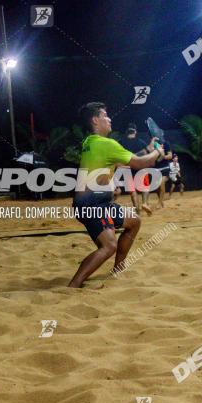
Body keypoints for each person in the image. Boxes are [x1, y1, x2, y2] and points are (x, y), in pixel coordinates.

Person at [68, 102, 165, 288]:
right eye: (105, 115)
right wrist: (156, 152)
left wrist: (148, 150)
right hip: (92, 206)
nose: (109, 118)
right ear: (95, 120)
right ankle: (74, 285)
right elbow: (139, 163)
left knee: (134, 221)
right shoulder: (107, 144)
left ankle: (117, 270)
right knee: (109, 246)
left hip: (98, 204)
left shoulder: (90, 142)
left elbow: (123, 161)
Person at [121, 124, 155, 216]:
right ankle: (144, 203)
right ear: (135, 131)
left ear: (126, 132)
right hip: (141, 168)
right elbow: (148, 152)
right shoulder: (140, 142)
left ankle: (137, 211)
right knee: (145, 187)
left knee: (132, 192)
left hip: (127, 169)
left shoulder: (121, 142)